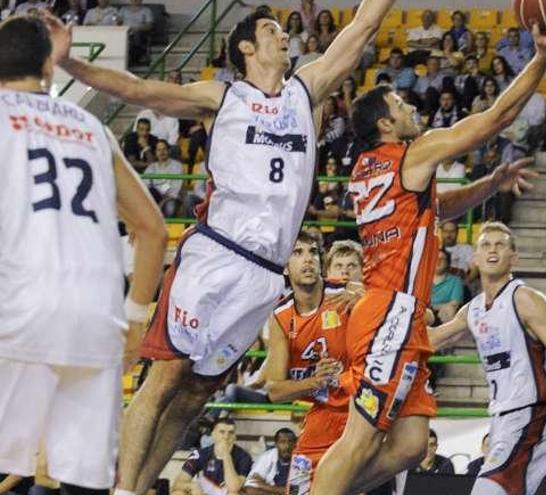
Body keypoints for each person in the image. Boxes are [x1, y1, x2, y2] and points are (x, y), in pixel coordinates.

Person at [44, 3, 396, 494]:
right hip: (217, 255)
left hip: (264, 275)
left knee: (193, 397)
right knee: (164, 379)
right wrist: (71, 65)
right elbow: (139, 90)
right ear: (247, 47)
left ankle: (138, 488)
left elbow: (364, 25)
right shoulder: (222, 96)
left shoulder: (305, 89)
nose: (283, 37)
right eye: (272, 30)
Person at [311, 18, 546, 495]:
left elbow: (437, 208)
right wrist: (541, 56)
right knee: (358, 438)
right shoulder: (410, 153)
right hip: (390, 314)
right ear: (384, 124)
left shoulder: (370, 169)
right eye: (399, 103)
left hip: (394, 315)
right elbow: (494, 118)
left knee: (412, 443)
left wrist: (491, 184)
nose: (410, 106)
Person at [0, 14, 166, 495]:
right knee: (83, 481)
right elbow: (152, 229)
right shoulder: (92, 127)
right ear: (49, 69)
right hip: (96, 320)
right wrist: (135, 318)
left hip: (18, 311)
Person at [429, 222, 546, 495]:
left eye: (500, 245)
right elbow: (432, 339)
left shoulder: (526, 299)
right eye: (485, 245)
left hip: (530, 415)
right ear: (475, 258)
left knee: (485, 492)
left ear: (513, 258)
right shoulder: (474, 309)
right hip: (502, 419)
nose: (492, 250)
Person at [262, 232, 358, 495]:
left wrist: (366, 302)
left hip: (360, 410)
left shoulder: (346, 292)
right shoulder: (281, 317)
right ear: (284, 266)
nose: (307, 260)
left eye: (313, 252)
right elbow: (275, 390)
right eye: (298, 252)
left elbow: (412, 313)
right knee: (298, 489)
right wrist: (314, 382)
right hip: (322, 413)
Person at [172, 419, 253, 495]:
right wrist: (190, 486)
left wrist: (226, 456)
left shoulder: (244, 457)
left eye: (231, 432)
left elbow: (234, 488)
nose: (226, 436)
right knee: (177, 493)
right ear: (213, 434)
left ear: (235, 436)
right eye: (222, 432)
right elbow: (177, 484)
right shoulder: (200, 454)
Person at [243, 428, 296, 495]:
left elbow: (295, 491)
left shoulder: (301, 460)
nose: (287, 446)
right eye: (282, 442)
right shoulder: (267, 457)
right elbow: (249, 488)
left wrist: (266, 486)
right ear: (276, 444)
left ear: (295, 444)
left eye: (290, 442)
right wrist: (279, 491)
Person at [143, 139, 184, 218]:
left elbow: (175, 191)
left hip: (171, 199)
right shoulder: (151, 167)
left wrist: (162, 203)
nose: (161, 152)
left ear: (168, 151)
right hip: (155, 198)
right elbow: (145, 185)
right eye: (159, 150)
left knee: (170, 208)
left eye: (164, 149)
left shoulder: (177, 166)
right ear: (156, 152)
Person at [432, 248, 465, 324]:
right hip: (425, 312)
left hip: (445, 313)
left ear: (447, 263)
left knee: (450, 309)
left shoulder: (455, 281)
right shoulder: (423, 279)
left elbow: (455, 303)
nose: (438, 261)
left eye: (442, 259)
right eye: (435, 258)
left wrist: (433, 306)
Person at [119, 0, 153, 66]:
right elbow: (118, 22)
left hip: (139, 32)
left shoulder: (146, 10)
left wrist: (137, 29)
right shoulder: (123, 9)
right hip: (125, 32)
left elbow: (149, 26)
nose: (135, 1)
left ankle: (134, 59)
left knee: (137, 36)